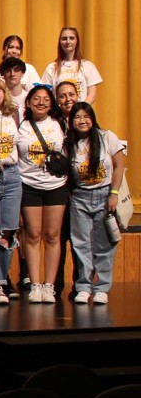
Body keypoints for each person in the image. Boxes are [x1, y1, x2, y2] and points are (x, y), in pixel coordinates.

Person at [64, 102, 124, 304]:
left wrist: (114, 193)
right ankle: (83, 287)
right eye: (77, 117)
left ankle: (102, 288)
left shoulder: (107, 137)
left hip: (105, 195)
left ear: (92, 118)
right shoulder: (68, 143)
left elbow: (119, 166)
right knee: (81, 245)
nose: (82, 121)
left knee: (104, 245)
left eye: (86, 116)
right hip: (79, 198)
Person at [16, 84, 67, 303]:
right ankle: (35, 284)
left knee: (53, 235)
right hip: (29, 186)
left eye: (46, 99)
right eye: (36, 98)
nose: (41, 102)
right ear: (28, 102)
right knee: (33, 235)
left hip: (56, 186)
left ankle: (49, 286)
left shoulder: (59, 123)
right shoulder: (21, 126)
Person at [43, 28, 102, 104]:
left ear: (77, 41)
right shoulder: (51, 67)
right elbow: (46, 94)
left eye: (71, 38)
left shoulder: (87, 66)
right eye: (64, 39)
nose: (68, 42)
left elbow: (92, 95)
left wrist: (80, 109)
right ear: (60, 42)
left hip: (81, 110)